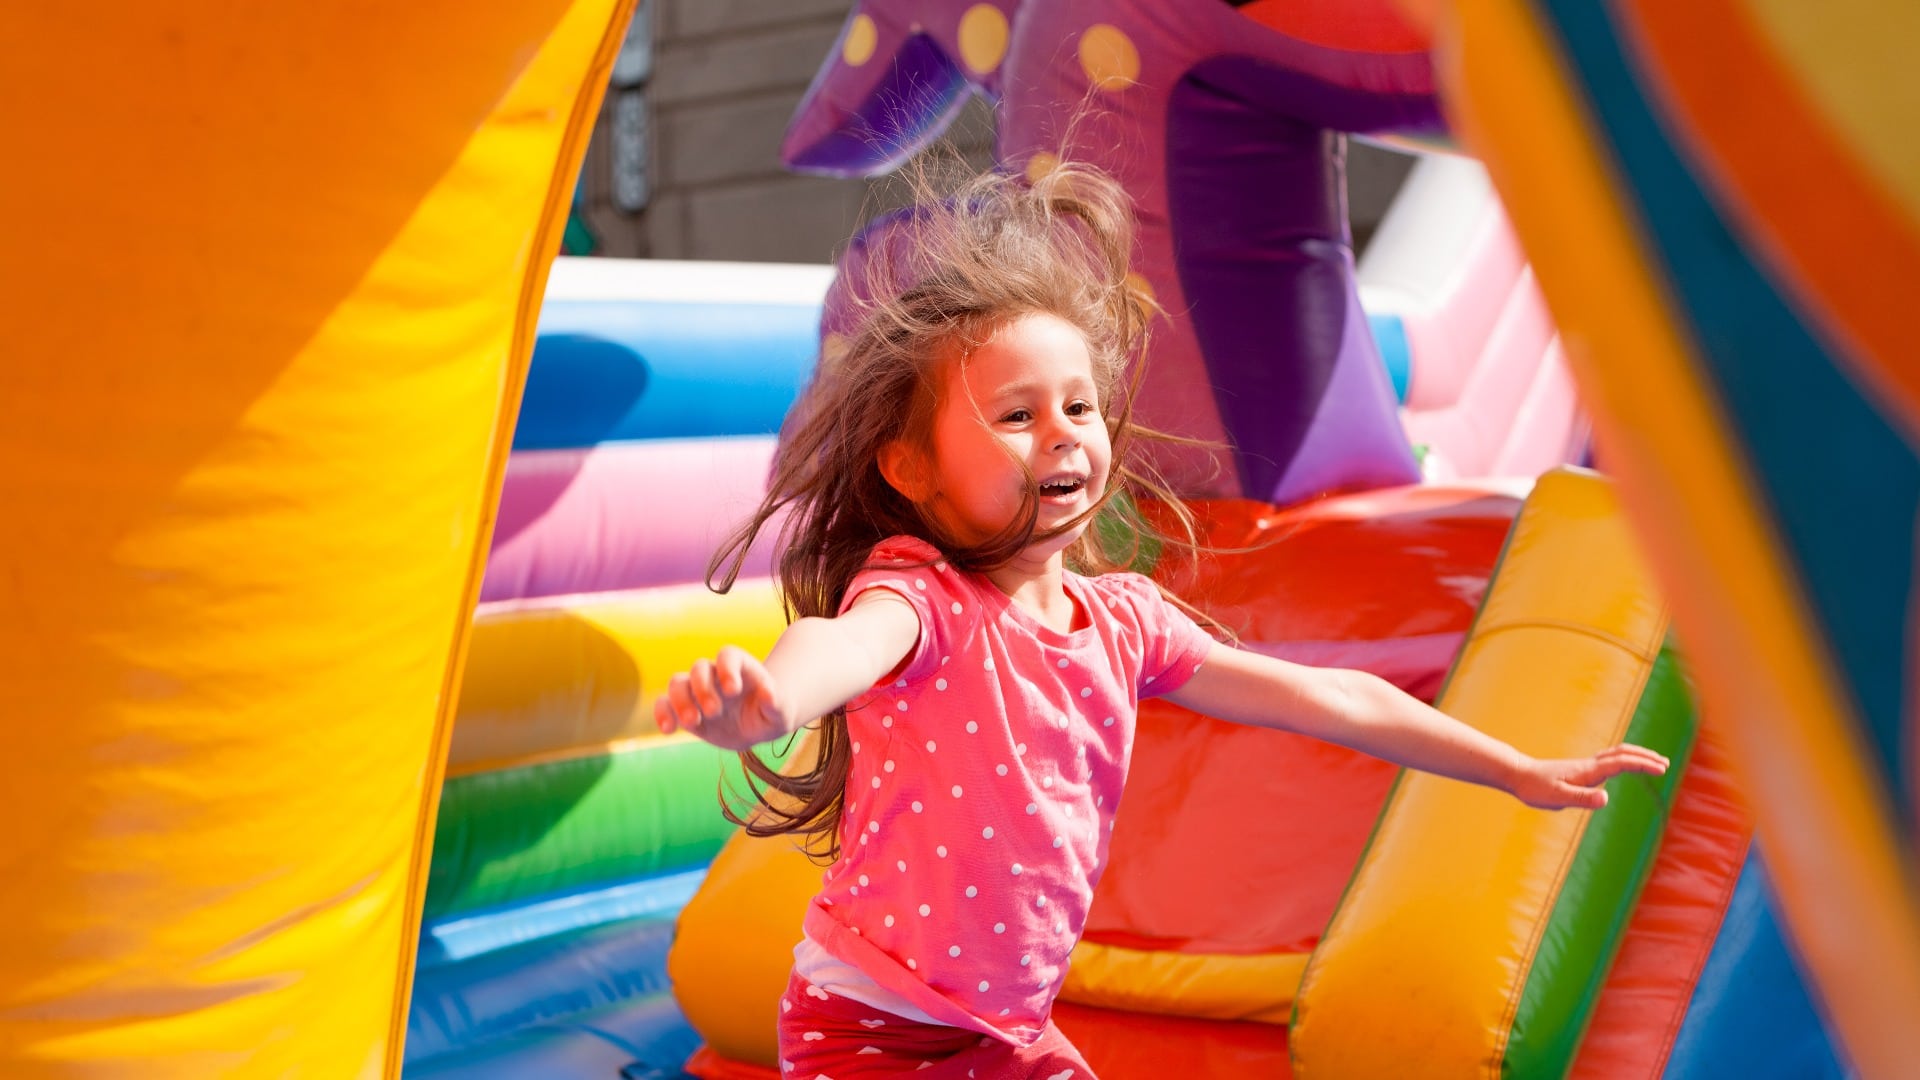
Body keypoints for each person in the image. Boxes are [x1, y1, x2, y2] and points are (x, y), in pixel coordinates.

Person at [655, 162, 1668, 1079]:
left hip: (1007, 1029)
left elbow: (1331, 700)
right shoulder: (923, 597)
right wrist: (768, 700)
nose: (1061, 433)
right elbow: (842, 643)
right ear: (910, 468)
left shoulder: (1125, 622)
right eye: (1016, 416)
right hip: (876, 1027)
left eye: (1079, 408)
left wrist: (1514, 767)